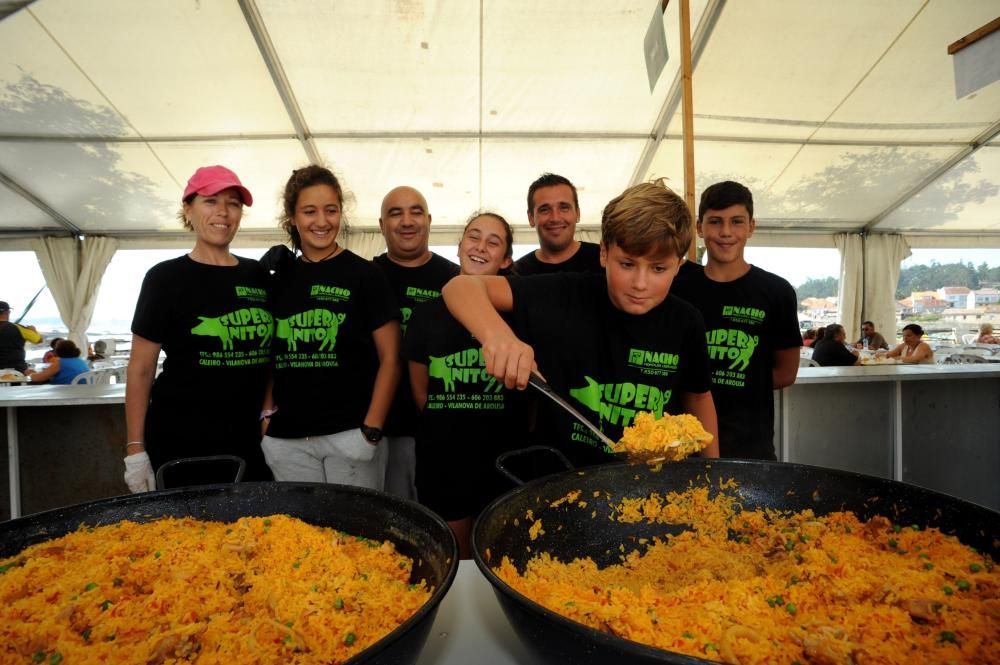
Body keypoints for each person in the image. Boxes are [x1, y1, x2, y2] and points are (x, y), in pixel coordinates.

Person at [442, 179, 719, 468]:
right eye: (626, 264)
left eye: (658, 269)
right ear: (603, 253)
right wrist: (499, 337)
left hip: (652, 480)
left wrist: (714, 474)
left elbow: (698, 398)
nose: (640, 283)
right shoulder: (567, 293)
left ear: (678, 265)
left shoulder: (685, 320)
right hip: (564, 477)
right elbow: (461, 287)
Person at [125, 165, 274, 493]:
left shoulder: (257, 275)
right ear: (188, 210)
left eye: (233, 203)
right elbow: (140, 369)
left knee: (251, 538)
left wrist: (267, 409)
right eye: (210, 201)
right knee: (189, 540)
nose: (223, 212)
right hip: (180, 440)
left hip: (247, 441)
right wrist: (135, 450)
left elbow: (270, 354)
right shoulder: (164, 278)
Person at [261, 165, 401, 490]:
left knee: (358, 537)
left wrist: (371, 430)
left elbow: (392, 358)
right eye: (310, 211)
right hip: (286, 441)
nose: (322, 222)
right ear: (292, 217)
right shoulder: (277, 277)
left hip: (351, 436)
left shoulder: (365, 275)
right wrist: (266, 419)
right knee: (301, 537)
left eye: (331, 210)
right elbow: (268, 354)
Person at [406, 212, 529, 558]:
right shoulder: (426, 314)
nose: (481, 247)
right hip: (443, 457)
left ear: (505, 260)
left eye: (494, 242)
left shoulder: (519, 314)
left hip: (503, 456)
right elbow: (420, 390)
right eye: (474, 237)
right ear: (459, 246)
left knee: (498, 555)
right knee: (454, 559)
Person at [671, 181, 801, 460]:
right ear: (699, 228)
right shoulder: (676, 287)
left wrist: (735, 383)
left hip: (750, 441)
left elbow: (787, 372)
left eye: (736, 222)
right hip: (682, 441)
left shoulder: (776, 291)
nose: (726, 232)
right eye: (715, 222)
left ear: (751, 227)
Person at [372, 186, 458, 500]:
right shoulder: (366, 276)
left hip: (439, 431)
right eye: (395, 213)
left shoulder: (456, 280)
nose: (407, 220)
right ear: (381, 225)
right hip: (379, 432)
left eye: (416, 211)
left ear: (429, 220)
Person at [512, 173, 602, 275]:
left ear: (577, 213)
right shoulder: (517, 273)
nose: (555, 218)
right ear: (531, 218)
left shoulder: (604, 260)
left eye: (564, 208)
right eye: (544, 210)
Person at [0, 301, 43, 373]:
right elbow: (38, 340)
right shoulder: (18, 328)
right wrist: (34, 330)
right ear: (8, 312)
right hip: (17, 370)